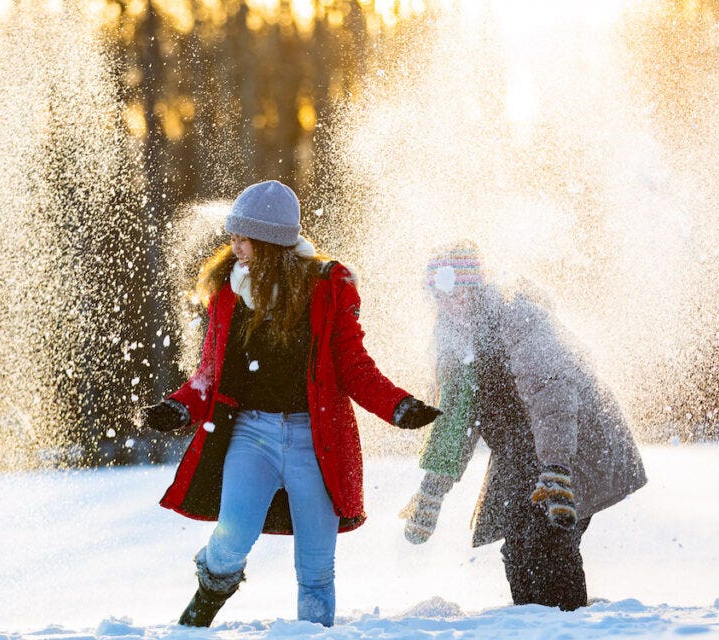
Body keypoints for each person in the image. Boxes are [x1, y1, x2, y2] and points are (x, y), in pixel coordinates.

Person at [141, 180, 440, 628]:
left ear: (272, 243)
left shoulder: (327, 288)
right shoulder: (229, 290)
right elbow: (209, 372)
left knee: (316, 567)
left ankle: (314, 635)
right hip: (251, 435)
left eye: (244, 238)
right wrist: (179, 408)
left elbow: (354, 366)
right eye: (234, 236)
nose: (234, 246)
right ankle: (192, 626)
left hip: (314, 439)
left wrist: (398, 406)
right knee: (230, 541)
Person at [400, 240, 647, 611]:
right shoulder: (453, 340)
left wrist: (557, 468)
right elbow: (455, 420)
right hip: (522, 451)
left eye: (458, 289)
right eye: (439, 294)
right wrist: (432, 491)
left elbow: (552, 394)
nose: (450, 302)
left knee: (547, 541)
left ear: (476, 286)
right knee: (518, 550)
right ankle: (534, 626)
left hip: (572, 439)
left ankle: (566, 627)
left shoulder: (516, 315)